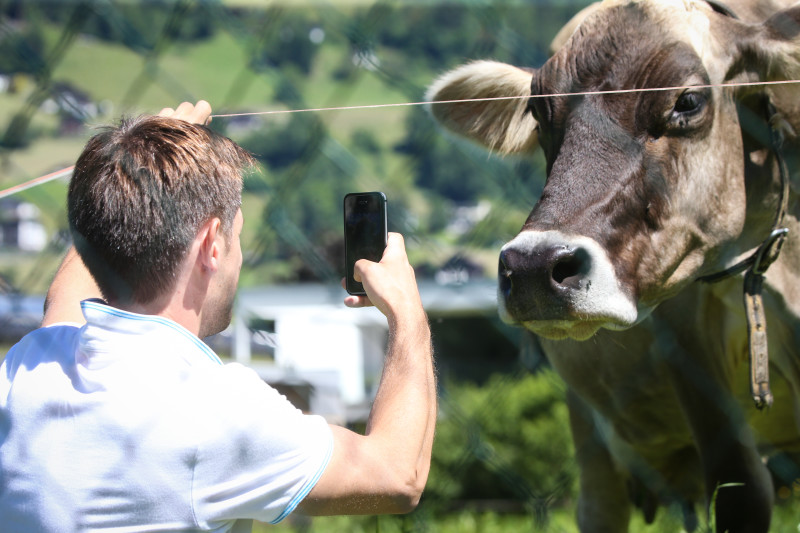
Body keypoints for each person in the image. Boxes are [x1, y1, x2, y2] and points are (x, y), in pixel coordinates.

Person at [0, 101, 437, 532]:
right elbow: (396, 474)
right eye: (236, 235)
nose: (239, 256)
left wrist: (130, 173)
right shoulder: (215, 410)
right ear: (212, 243)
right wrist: (407, 310)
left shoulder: (29, 371)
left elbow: (64, 297)